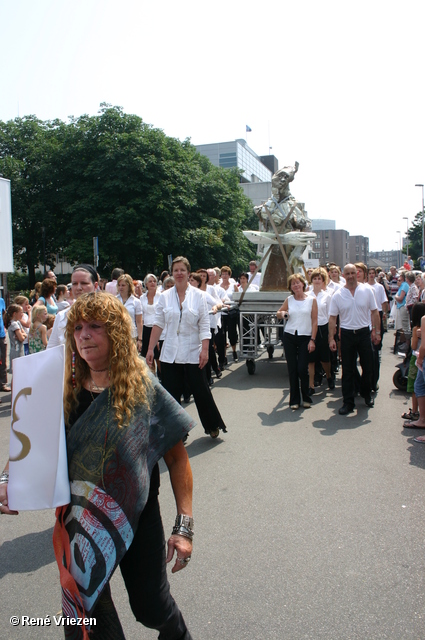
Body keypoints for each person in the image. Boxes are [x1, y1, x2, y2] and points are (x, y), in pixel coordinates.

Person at [0, 292, 195, 639]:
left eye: (95, 327)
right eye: (77, 327)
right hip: (79, 519)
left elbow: (177, 457)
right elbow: (27, 438)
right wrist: (7, 478)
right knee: (88, 613)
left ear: (116, 333)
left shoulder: (143, 389)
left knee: (151, 607)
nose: (83, 335)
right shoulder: (59, 386)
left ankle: (176, 633)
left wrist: (184, 527)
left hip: (136, 517)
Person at [146, 256, 227, 438]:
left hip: (193, 351)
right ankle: (177, 432)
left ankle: (212, 424)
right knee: (172, 394)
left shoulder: (199, 295)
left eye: (183, 270)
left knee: (201, 390)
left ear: (189, 273)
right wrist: (151, 348)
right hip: (170, 353)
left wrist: (205, 350)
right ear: (172, 274)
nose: (179, 273)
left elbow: (204, 325)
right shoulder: (165, 297)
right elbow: (158, 324)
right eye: (176, 270)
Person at [329, 264, 381, 415]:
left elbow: (375, 312)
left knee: (368, 367)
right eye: (348, 274)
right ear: (343, 276)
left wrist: (376, 332)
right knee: (348, 370)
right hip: (346, 334)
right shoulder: (338, 295)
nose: (351, 276)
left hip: (364, 333)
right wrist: (331, 338)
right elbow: (332, 318)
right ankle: (348, 402)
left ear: (357, 273)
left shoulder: (367, 290)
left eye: (353, 273)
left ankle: (366, 393)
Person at [277, 273, 318, 410]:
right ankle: (294, 400)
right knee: (292, 369)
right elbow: (279, 312)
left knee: (302, 368)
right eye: (293, 283)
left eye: (298, 282)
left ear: (303, 284)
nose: (296, 285)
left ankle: (306, 397)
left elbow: (314, 321)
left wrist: (313, 339)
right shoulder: (289, 299)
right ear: (291, 287)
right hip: (289, 336)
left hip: (305, 337)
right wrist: (282, 314)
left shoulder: (312, 300)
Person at [48, 265, 99, 349]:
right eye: (75, 284)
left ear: (95, 286)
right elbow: (51, 350)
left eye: (84, 283)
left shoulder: (105, 315)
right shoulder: (62, 316)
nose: (79, 288)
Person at [307, 267, 334, 392]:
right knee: (311, 358)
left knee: (324, 358)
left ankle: (328, 376)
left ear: (323, 281)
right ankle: (311, 384)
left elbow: (330, 316)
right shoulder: (307, 295)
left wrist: (331, 335)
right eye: (315, 278)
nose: (317, 281)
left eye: (319, 279)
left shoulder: (327, 296)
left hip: (323, 327)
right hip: (310, 327)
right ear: (311, 280)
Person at [140, 273, 161, 371]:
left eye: (154, 281)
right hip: (146, 329)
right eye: (150, 281)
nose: (152, 283)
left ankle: (163, 377)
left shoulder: (161, 296)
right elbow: (141, 315)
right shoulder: (142, 298)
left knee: (159, 357)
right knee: (149, 358)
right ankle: (152, 379)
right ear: (146, 284)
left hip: (158, 328)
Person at [116, 273, 143, 347]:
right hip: (117, 334)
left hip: (132, 335)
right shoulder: (114, 300)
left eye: (123, 285)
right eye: (119, 285)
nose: (121, 287)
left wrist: (140, 339)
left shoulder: (136, 301)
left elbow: (139, 321)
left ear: (129, 286)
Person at [5, 304, 26, 371]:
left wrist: (22, 334)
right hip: (16, 351)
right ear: (15, 314)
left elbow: (24, 334)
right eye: (21, 312)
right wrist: (23, 335)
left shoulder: (18, 322)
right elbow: (21, 338)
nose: (22, 314)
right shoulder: (14, 324)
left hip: (19, 349)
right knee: (17, 371)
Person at [0, 295, 11, 395]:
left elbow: (3, 314)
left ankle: (3, 383)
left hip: (1, 335)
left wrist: (3, 326)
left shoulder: (1, 301)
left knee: (3, 360)